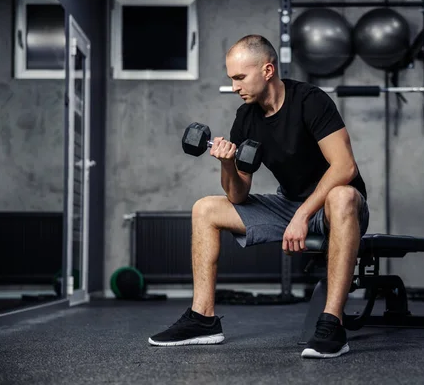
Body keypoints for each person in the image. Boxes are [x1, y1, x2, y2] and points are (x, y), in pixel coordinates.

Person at [148, 34, 369, 359]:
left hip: (335, 206)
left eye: (240, 77)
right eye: (231, 79)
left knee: (342, 197)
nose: (235, 86)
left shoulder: (310, 100)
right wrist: (227, 164)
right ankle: (203, 318)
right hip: (289, 203)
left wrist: (302, 215)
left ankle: (332, 323)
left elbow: (344, 166)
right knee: (206, 208)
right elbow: (238, 195)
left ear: (267, 70)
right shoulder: (246, 118)